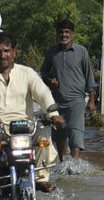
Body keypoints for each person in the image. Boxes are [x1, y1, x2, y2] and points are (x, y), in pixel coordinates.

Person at [0, 32, 64, 192]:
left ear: (14, 52)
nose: (3, 55)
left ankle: (41, 178)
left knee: (43, 132)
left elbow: (43, 94)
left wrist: (53, 115)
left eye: (7, 51)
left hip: (24, 127)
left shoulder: (27, 73)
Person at [41, 19, 96, 161]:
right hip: (57, 100)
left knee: (75, 132)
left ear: (72, 34)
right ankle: (62, 163)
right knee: (59, 133)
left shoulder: (81, 51)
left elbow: (89, 76)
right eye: (61, 32)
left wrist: (91, 100)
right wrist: (49, 80)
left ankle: (75, 164)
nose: (63, 35)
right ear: (57, 34)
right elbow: (44, 72)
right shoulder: (52, 52)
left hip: (76, 100)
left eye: (67, 32)